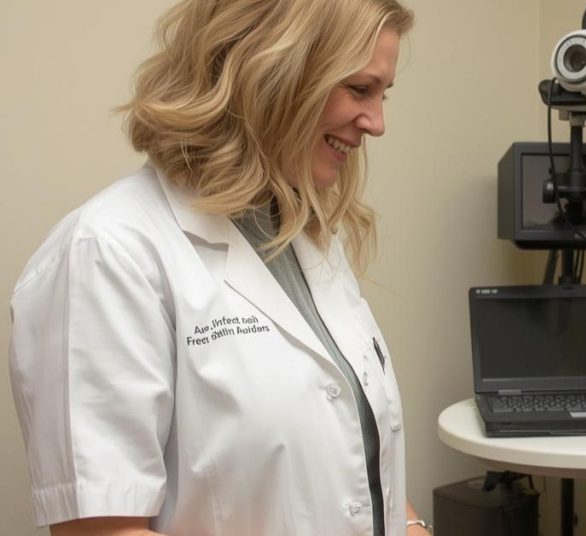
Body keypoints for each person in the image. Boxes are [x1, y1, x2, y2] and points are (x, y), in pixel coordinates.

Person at [8, 0, 431, 534]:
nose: (377, 123)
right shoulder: (108, 252)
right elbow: (104, 530)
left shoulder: (302, 233)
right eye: (359, 89)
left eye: (382, 93)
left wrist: (413, 527)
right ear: (272, 73)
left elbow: (350, 449)